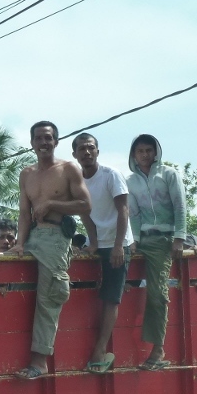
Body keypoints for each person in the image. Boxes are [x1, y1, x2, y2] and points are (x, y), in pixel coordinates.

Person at [7, 121, 92, 380]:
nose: (43, 142)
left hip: (56, 236)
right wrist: (20, 242)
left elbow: (85, 205)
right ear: (31, 143)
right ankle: (12, 352)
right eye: (38, 138)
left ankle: (39, 362)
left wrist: (53, 203)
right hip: (32, 235)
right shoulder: (26, 173)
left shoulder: (68, 169)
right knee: (14, 287)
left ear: (56, 142)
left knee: (49, 297)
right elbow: (23, 213)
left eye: (48, 138)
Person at [127, 134, 187, 371]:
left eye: (149, 150)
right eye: (140, 151)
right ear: (134, 155)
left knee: (158, 293)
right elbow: (133, 214)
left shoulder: (169, 174)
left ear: (156, 152)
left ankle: (158, 348)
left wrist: (179, 238)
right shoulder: (130, 180)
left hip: (164, 238)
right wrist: (132, 241)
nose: (145, 155)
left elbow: (180, 205)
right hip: (140, 238)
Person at [74, 132, 132, 373]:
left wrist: (119, 245)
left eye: (90, 148)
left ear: (97, 151)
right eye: (81, 149)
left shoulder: (111, 175)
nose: (86, 152)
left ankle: (100, 349)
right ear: (74, 154)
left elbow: (123, 211)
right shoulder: (77, 180)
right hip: (97, 242)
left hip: (118, 242)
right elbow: (84, 213)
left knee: (110, 296)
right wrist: (94, 242)